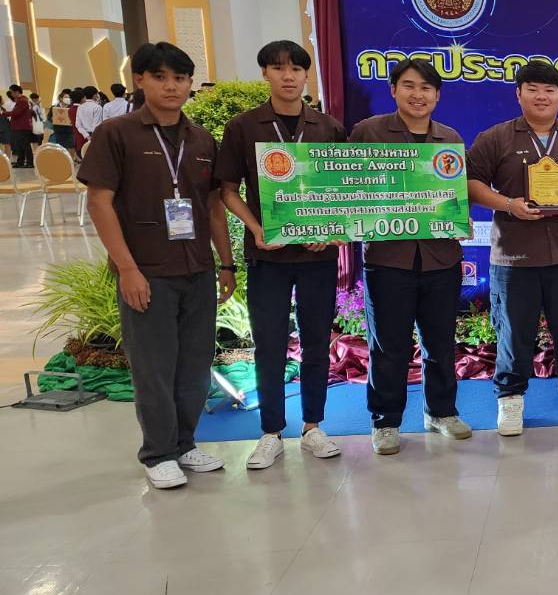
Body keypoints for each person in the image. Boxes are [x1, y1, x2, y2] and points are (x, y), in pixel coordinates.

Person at [78, 42, 234, 489]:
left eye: (180, 78)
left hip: (197, 268)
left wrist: (226, 265)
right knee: (153, 366)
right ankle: (158, 453)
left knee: (195, 363)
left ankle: (185, 444)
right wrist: (127, 268)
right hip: (147, 270)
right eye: (161, 77)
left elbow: (212, 207)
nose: (172, 87)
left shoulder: (201, 140)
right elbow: (100, 203)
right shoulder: (117, 134)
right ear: (140, 80)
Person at [216, 40, 346, 470]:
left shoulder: (327, 127)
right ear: (265, 74)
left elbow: (343, 188)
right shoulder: (244, 127)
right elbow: (227, 190)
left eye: (296, 69)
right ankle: (271, 432)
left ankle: (313, 426)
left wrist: (329, 230)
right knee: (269, 344)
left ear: (307, 75)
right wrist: (256, 229)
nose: (288, 76)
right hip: (267, 256)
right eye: (278, 68)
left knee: (316, 342)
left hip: (317, 258)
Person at [468, 60, 558, 435]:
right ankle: (510, 398)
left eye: (549, 90)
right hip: (515, 257)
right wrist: (507, 204)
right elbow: (471, 183)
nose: (541, 97)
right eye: (533, 89)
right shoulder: (495, 138)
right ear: (519, 94)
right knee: (514, 333)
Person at [349, 58, 472, 454]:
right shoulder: (369, 132)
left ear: (437, 95)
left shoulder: (449, 137)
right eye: (409, 86)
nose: (418, 95)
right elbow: (346, 187)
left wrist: (460, 216)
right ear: (393, 90)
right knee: (389, 346)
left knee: (441, 342)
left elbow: (455, 194)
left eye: (426, 88)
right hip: (388, 259)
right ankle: (385, 421)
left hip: (441, 258)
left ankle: (441, 412)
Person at [7, 85, 34, 167]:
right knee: (20, 145)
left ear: (17, 92)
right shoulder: (22, 100)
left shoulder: (22, 101)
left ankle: (29, 163)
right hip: (20, 126)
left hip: (22, 127)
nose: (11, 94)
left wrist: (3, 113)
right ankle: (20, 162)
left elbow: (16, 113)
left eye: (12, 92)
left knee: (25, 145)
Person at [74, 86, 104, 151]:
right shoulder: (97, 107)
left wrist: (87, 136)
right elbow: (96, 125)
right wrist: (91, 137)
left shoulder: (80, 107)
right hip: (95, 137)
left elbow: (78, 125)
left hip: (83, 136)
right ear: (95, 95)